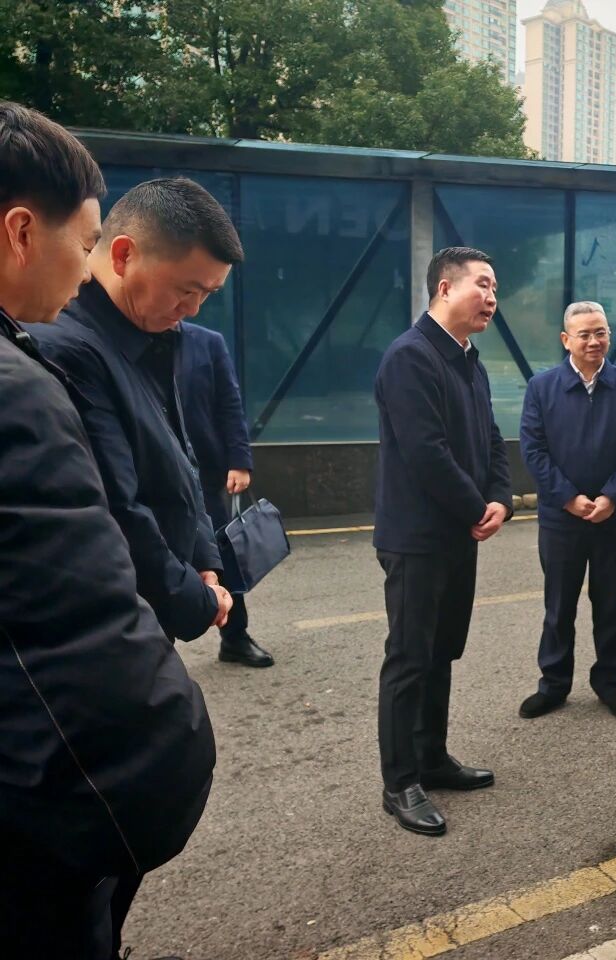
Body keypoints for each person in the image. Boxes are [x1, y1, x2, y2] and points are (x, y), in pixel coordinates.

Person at [0, 101, 214, 960]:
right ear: (22, 231)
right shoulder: (37, 369)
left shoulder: (121, 344)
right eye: (83, 242)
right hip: (50, 789)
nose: (84, 267)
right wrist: (166, 753)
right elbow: (75, 620)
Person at [30, 178, 240, 645]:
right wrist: (195, 598)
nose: (194, 309)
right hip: (111, 621)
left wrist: (204, 558)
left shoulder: (150, 331)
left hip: (152, 602)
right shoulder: (70, 349)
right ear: (123, 255)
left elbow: (180, 457)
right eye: (186, 289)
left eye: (208, 294)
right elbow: (116, 507)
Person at [373, 246, 513, 836]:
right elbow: (425, 452)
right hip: (418, 539)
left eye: (495, 287)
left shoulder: (469, 361)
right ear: (444, 288)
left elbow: (491, 438)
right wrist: (476, 506)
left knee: (442, 652)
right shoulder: (411, 357)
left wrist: (501, 497)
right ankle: (400, 781)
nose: (491, 297)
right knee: (409, 658)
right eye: (482, 284)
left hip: (459, 534)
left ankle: (432, 757)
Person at [517, 301, 616, 721]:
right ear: (566, 339)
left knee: (610, 603)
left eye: (601, 332)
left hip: (613, 518)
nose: (594, 341)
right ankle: (554, 684)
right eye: (585, 334)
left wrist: (611, 497)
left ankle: (609, 682)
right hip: (562, 520)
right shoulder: (542, 388)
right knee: (559, 606)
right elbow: (533, 450)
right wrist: (567, 498)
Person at [179, 320, 274, 667]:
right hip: (149, 470)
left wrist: (239, 461)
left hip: (204, 471)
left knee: (223, 555)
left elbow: (229, 404)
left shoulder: (207, 342)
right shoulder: (122, 341)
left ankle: (234, 637)